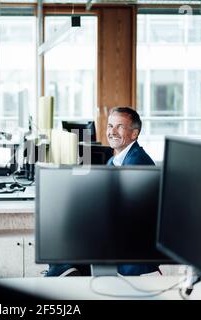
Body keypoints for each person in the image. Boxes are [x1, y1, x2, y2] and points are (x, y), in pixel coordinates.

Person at [46, 106, 159, 277]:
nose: (112, 131)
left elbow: (125, 216)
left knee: (66, 241)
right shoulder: (115, 159)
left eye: (119, 126)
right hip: (116, 235)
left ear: (134, 134)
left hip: (129, 249)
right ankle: (66, 271)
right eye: (109, 126)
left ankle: (65, 272)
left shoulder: (138, 163)